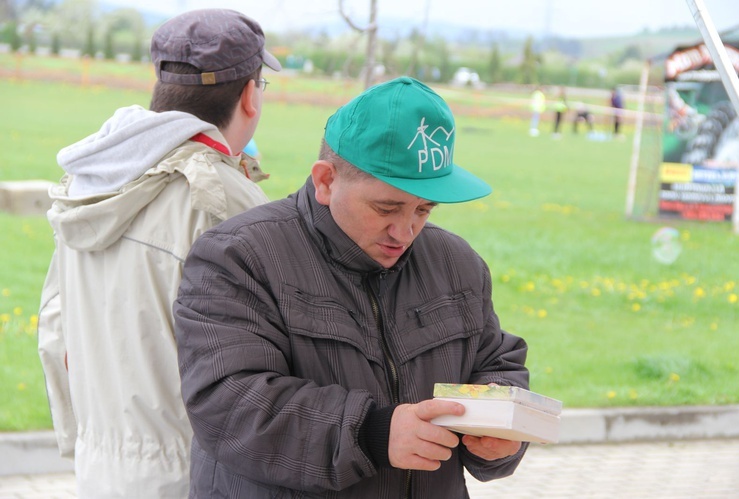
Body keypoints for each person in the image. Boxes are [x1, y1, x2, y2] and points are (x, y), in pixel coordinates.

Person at [174, 76, 530, 498]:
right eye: (386, 207)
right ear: (326, 180)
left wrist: (499, 431)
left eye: (424, 209)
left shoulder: (456, 263)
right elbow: (228, 402)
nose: (405, 230)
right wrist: (371, 434)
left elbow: (494, 360)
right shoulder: (238, 257)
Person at [37, 8, 280, 498]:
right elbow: (266, 373)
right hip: (197, 476)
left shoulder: (92, 182)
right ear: (250, 95)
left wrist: (82, 444)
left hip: (102, 471)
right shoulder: (221, 200)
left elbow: (54, 334)